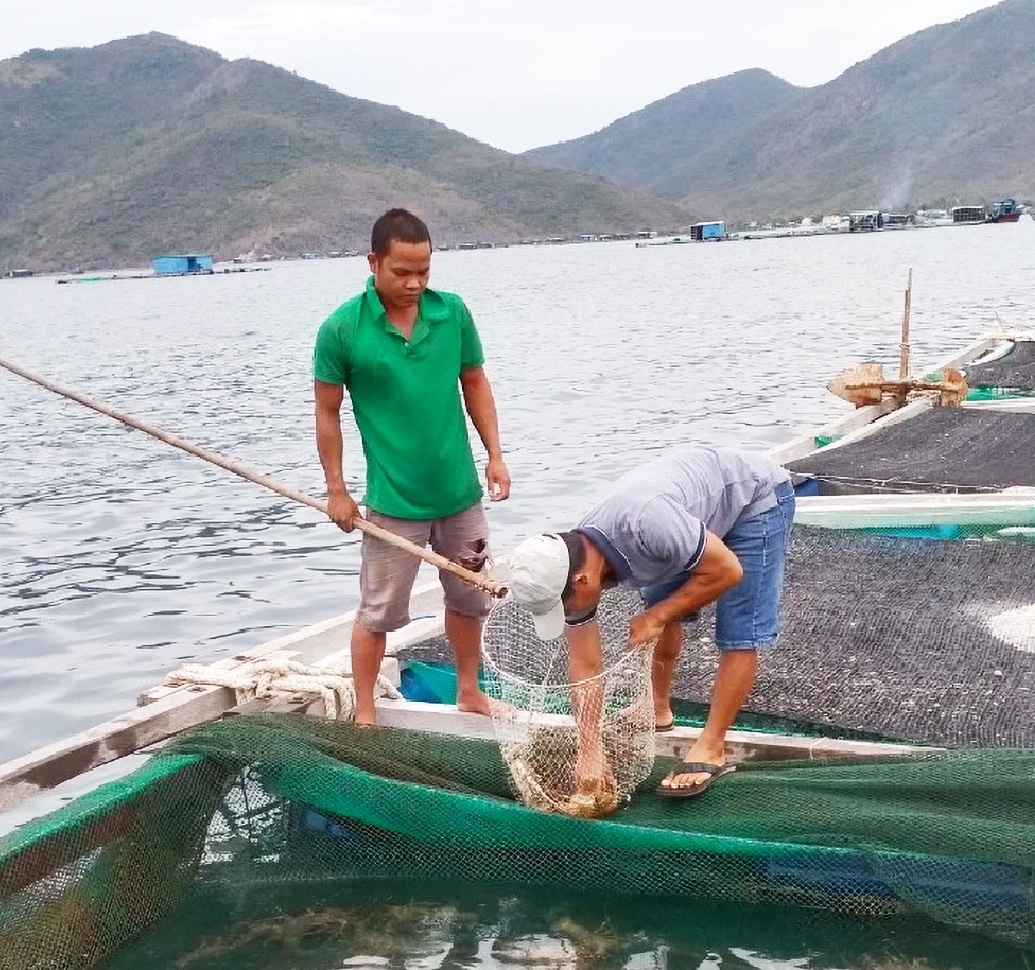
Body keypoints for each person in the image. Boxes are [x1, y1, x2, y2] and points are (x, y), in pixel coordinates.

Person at [494, 445, 795, 800]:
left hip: (756, 499)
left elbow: (727, 570)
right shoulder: (570, 565)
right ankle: (657, 707)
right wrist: (589, 751)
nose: (569, 614)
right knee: (658, 600)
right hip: (685, 520)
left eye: (564, 607)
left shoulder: (647, 526)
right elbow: (585, 663)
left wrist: (658, 616)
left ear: (583, 581)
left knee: (739, 630)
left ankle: (712, 744)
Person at [315, 207, 511, 724]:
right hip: (393, 502)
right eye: (402, 272)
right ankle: (363, 712)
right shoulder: (341, 329)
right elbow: (327, 413)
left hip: (459, 494)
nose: (415, 282)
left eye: (424, 270)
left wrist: (495, 454)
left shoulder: (453, 315)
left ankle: (469, 691)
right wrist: (337, 489)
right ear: (373, 262)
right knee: (378, 611)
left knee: (471, 598)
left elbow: (474, 382)